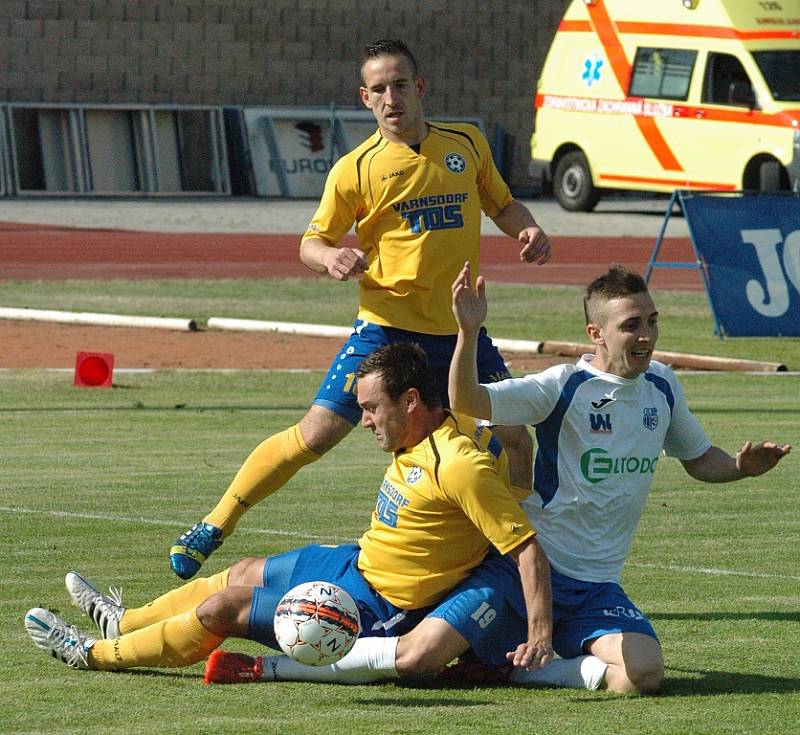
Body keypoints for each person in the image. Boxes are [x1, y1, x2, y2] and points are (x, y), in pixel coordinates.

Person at [167, 38, 551, 580]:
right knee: (317, 435)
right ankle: (215, 522)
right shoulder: (356, 168)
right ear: (364, 98)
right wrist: (330, 257)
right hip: (385, 331)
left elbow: (503, 204)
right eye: (378, 89)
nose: (391, 97)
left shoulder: (466, 143)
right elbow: (310, 241)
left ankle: (515, 556)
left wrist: (528, 228)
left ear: (419, 88)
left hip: (459, 332)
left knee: (516, 438)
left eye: (399, 85)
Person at [25, 343, 553, 683]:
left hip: (380, 606)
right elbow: (514, 443)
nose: (364, 421)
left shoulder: (459, 465)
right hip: (359, 564)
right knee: (246, 569)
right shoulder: (442, 431)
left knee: (224, 608)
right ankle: (126, 620)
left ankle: (92, 653)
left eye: (372, 408)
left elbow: (525, 549)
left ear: (412, 400)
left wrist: (539, 633)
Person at [447, 262, 791, 694]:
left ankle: (517, 669)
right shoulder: (562, 386)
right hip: (528, 573)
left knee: (642, 674)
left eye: (651, 321)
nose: (646, 335)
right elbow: (465, 399)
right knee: (424, 656)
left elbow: (699, 459)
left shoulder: (662, 385)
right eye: (632, 325)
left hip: (597, 588)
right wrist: (468, 331)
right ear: (597, 333)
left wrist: (741, 468)